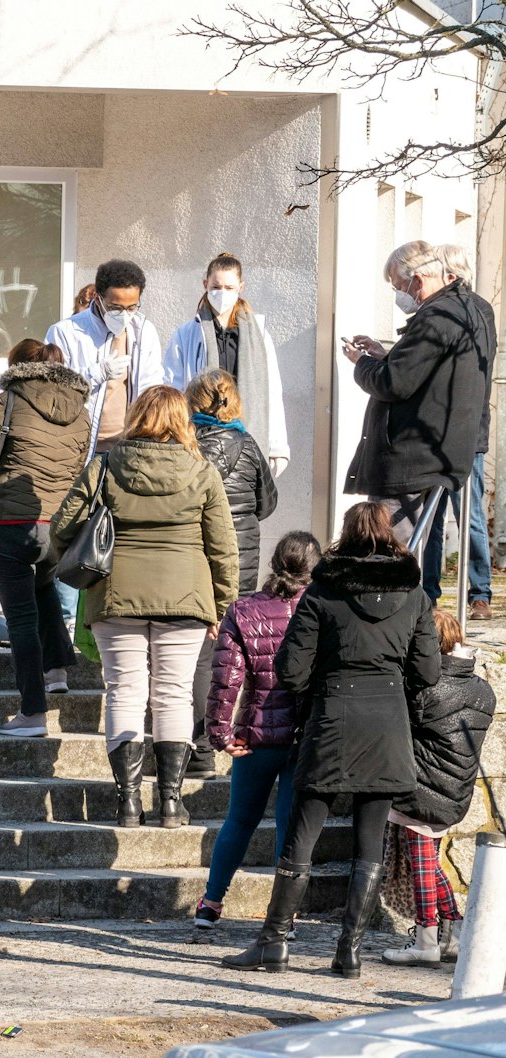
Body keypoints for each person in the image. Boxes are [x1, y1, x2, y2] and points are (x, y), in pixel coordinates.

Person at [223, 502, 440, 977]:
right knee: (368, 847)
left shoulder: (322, 592)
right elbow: (427, 671)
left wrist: (325, 680)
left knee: (301, 836)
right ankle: (350, 952)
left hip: (330, 722)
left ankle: (274, 943)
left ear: (345, 534)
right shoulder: (415, 594)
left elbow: (290, 670)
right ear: (389, 534)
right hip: (387, 725)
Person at [52, 386, 238, 829]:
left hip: (116, 595)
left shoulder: (106, 465)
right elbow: (224, 548)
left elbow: (62, 527)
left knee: (124, 691)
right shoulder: (202, 470)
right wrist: (224, 605)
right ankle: (171, 803)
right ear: (182, 420)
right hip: (187, 598)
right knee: (172, 693)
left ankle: (128, 803)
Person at [193, 530, 321, 933]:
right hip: (304, 735)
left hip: (256, 732)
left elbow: (226, 679)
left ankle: (211, 904)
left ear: (274, 563)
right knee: (291, 827)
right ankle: (285, 915)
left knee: (240, 821)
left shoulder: (244, 610)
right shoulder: (322, 610)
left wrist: (219, 732)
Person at [0, 339, 91, 736]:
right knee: (44, 586)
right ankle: (56, 671)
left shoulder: (5, 403)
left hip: (10, 523)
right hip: (58, 525)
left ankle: (32, 713)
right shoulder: (82, 413)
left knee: (20, 617)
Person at [341, 240, 493, 555]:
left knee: (388, 556)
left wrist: (362, 363)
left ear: (418, 280)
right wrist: (386, 356)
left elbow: (394, 383)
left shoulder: (436, 316)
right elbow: (428, 374)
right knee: (415, 550)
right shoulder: (466, 309)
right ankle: (421, 600)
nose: (398, 294)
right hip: (438, 452)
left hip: (410, 459)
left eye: (399, 286)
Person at [382, 609, 497, 966]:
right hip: (454, 792)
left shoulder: (423, 686)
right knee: (429, 864)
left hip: (421, 790)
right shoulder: (481, 688)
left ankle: (427, 941)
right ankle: (456, 933)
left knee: (423, 866)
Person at [184, 369, 279, 776]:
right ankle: (219, 737)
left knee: (198, 654)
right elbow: (267, 502)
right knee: (229, 651)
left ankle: (199, 748)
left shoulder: (186, 445)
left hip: (196, 554)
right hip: (241, 557)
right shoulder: (248, 443)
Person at [418, 243, 496, 620]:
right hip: (434, 435)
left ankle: (479, 592)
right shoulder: (439, 308)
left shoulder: (477, 310)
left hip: (467, 435)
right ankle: (429, 592)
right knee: (432, 519)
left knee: (469, 515)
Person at [163, 253, 291, 473]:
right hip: (198, 437)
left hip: (244, 438)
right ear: (205, 284)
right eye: (216, 286)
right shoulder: (187, 333)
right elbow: (172, 386)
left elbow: (270, 391)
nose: (222, 293)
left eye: (229, 288)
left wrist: (277, 447)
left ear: (241, 287)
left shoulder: (257, 335)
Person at [46, 259, 167, 453]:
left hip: (126, 445)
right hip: (78, 445)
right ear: (97, 297)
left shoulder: (144, 331)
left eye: (132, 307)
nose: (124, 315)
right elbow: (52, 390)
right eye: (115, 308)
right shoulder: (66, 332)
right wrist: (95, 373)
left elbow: (151, 386)